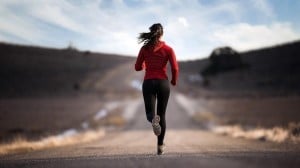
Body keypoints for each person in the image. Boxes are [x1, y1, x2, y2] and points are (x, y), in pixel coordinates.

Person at [134, 23, 179, 155]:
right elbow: (175, 68)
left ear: (151, 33)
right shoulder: (168, 49)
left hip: (148, 82)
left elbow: (137, 67)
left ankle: (153, 120)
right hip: (163, 83)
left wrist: (144, 64)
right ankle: (160, 146)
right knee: (162, 115)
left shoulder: (144, 49)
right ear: (162, 34)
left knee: (150, 113)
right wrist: (174, 80)